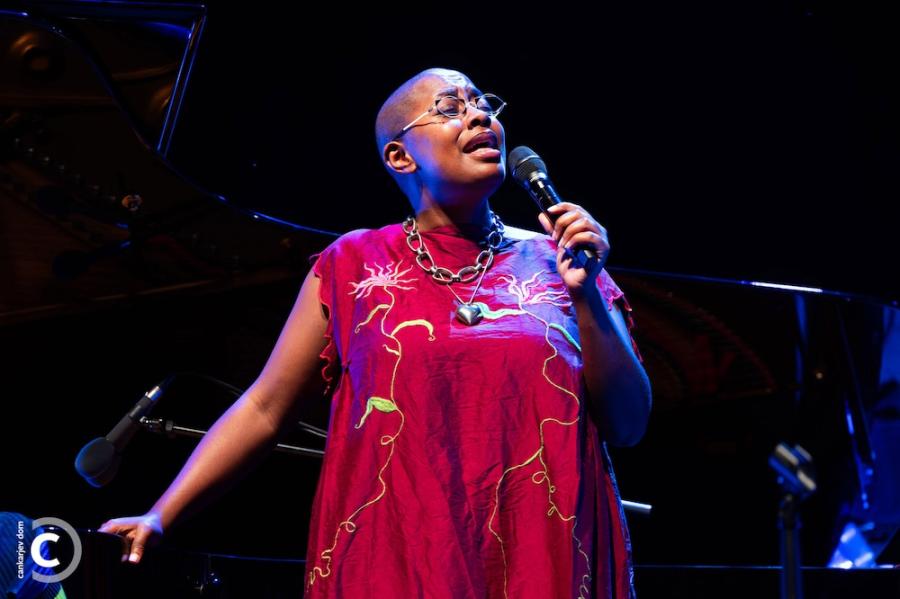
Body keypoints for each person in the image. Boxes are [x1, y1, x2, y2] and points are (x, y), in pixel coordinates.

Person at [99, 67, 651, 599]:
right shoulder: (353, 263)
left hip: (545, 549)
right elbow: (267, 407)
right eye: (451, 108)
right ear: (399, 155)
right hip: (397, 549)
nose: (480, 116)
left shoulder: (562, 261)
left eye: (484, 104)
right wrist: (161, 513)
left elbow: (627, 425)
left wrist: (586, 293)